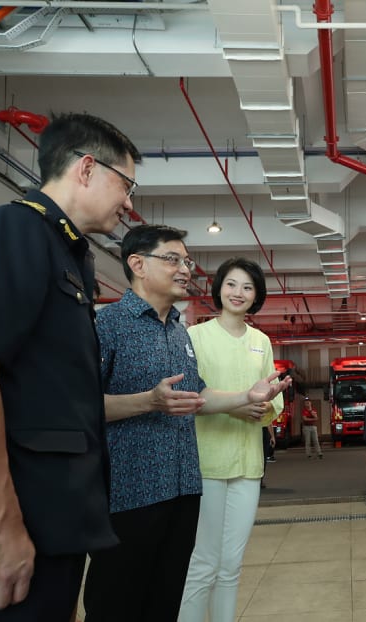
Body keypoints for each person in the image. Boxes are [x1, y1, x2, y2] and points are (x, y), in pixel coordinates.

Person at [0, 113, 139, 619]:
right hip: (12, 522)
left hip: (50, 520)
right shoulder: (15, 231)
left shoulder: (66, 251)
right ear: (87, 168)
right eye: (127, 184)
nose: (129, 204)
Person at [83, 228, 288, 622]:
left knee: (166, 597)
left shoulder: (178, 333)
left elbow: (199, 396)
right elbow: (76, 406)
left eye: (187, 262)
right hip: (130, 491)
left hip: (183, 487)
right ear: (138, 264)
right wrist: (148, 401)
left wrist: (247, 397)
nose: (184, 270)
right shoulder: (107, 325)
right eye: (173, 260)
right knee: (119, 601)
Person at [179, 257, 283, 622]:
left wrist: (263, 406)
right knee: (203, 562)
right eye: (232, 284)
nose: (238, 293)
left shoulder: (261, 341)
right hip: (205, 462)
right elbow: (190, 396)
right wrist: (237, 405)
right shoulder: (194, 336)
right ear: (219, 288)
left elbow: (274, 401)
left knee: (232, 563)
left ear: (257, 296)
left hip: (247, 465)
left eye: (247, 287)